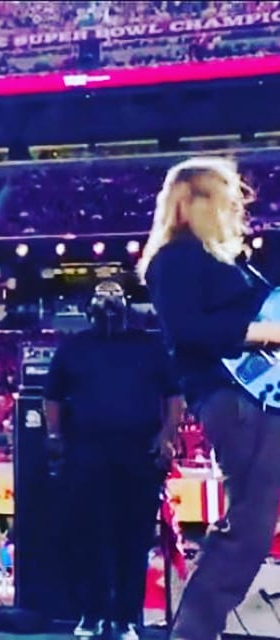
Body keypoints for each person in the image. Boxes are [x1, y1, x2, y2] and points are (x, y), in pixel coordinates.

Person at [139, 156, 280, 640]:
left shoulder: (223, 262)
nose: (237, 205)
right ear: (197, 201)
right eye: (228, 195)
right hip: (238, 401)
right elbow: (189, 331)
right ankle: (195, 632)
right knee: (249, 526)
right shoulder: (177, 259)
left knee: (252, 522)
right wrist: (265, 333)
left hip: (255, 398)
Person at [44, 280, 184, 639]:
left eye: (114, 301)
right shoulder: (74, 348)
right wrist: (56, 436)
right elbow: (53, 397)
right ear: (91, 309)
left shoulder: (149, 346)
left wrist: (167, 436)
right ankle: (91, 615)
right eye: (102, 302)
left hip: (139, 452)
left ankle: (124, 618)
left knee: (133, 538)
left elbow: (173, 395)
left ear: (126, 307)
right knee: (89, 536)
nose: (108, 309)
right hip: (87, 453)